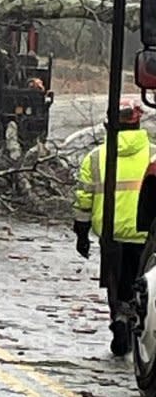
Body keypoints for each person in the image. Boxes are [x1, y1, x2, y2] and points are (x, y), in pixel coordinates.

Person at [73, 97, 155, 356]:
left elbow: (84, 197)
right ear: (138, 121)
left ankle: (119, 318)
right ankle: (138, 323)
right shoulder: (153, 154)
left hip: (111, 231)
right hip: (146, 232)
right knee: (145, 282)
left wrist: (81, 232)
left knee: (115, 281)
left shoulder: (96, 157)